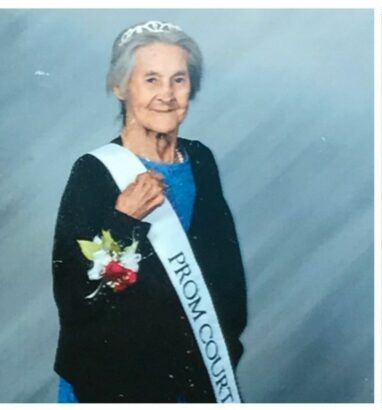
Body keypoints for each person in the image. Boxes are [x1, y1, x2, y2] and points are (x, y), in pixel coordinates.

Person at [51, 21, 247, 403]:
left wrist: (226, 347)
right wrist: (123, 220)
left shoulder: (201, 160)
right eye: (152, 80)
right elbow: (77, 297)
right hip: (113, 385)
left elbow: (226, 274)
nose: (168, 95)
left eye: (179, 80)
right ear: (120, 87)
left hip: (195, 377)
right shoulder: (93, 173)